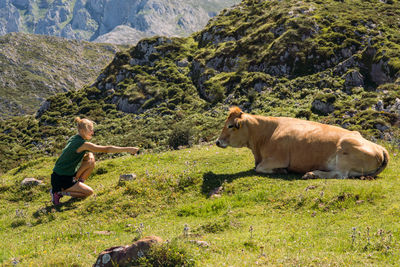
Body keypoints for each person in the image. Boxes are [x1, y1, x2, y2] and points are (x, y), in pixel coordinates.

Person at [50, 117, 139, 205]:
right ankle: (58, 192)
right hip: (61, 178)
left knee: (90, 157)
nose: (92, 132)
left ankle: (78, 184)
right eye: (90, 130)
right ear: (82, 130)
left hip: (62, 173)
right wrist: (128, 149)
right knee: (89, 193)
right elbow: (106, 149)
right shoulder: (83, 144)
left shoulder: (74, 138)